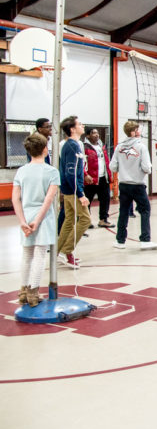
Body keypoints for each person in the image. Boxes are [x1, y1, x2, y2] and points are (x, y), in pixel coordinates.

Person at [12, 133, 60, 307]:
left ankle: (23, 291)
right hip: (43, 217)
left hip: (26, 215)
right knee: (40, 255)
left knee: (27, 254)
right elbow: (48, 200)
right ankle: (33, 292)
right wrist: (38, 221)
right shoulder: (52, 171)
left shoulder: (21, 171)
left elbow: (15, 199)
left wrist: (22, 221)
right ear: (45, 149)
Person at [109, 120, 157, 250]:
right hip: (137, 185)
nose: (140, 131)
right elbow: (147, 167)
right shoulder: (141, 147)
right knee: (145, 210)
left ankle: (120, 241)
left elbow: (113, 167)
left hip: (124, 184)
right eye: (138, 129)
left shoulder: (119, 147)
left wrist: (124, 168)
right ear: (133, 132)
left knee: (123, 212)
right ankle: (145, 240)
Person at [57, 115, 91, 269]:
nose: (83, 126)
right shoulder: (72, 146)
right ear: (72, 129)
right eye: (80, 124)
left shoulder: (69, 144)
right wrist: (81, 194)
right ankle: (66, 251)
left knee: (69, 220)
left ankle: (59, 253)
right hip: (73, 190)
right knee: (85, 220)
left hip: (68, 189)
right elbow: (71, 173)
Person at [83, 128, 114, 229]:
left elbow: (106, 162)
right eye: (93, 133)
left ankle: (103, 220)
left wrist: (109, 175)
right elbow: (82, 163)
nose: (96, 135)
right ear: (87, 136)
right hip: (90, 179)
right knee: (87, 200)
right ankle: (86, 221)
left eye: (97, 133)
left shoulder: (102, 146)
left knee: (105, 199)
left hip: (103, 178)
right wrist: (85, 175)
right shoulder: (84, 147)